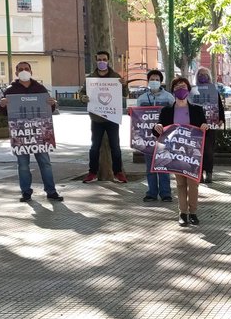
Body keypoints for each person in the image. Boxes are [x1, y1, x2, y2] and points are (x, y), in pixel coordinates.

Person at [0, 61, 63, 203]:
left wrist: (53, 104)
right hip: (21, 134)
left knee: (45, 163)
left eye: (26, 69)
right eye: (20, 69)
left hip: (39, 133)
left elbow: (49, 110)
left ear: (31, 71)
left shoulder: (39, 88)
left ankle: (51, 191)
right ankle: (26, 192)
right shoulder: (10, 90)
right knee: (22, 165)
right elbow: (3, 112)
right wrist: (2, 104)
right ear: (16, 73)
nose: (24, 71)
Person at [154, 76, 209, 225]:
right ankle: (182, 213)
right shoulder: (166, 111)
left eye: (183, 87)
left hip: (193, 153)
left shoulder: (197, 110)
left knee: (193, 183)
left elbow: (204, 130)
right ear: (173, 91)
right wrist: (157, 127)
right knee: (180, 184)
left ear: (189, 90)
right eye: (177, 87)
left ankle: (193, 212)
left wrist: (205, 127)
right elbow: (159, 130)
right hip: (175, 153)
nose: (181, 90)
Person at [82, 50, 128, 183]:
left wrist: (124, 85)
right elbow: (82, 93)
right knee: (94, 147)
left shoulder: (116, 77)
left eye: (104, 59)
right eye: (99, 59)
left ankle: (118, 172)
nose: (102, 62)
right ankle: (92, 172)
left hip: (112, 117)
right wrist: (83, 98)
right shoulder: (90, 78)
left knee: (115, 146)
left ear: (108, 61)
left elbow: (124, 94)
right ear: (96, 61)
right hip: (97, 118)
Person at [136, 69, 175, 202]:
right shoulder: (141, 99)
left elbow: (174, 115)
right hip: (147, 138)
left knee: (163, 165)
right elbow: (138, 119)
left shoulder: (169, 98)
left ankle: (166, 193)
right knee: (150, 167)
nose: (154, 82)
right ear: (148, 81)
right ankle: (151, 193)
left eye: (157, 80)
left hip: (164, 137)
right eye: (152, 79)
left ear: (161, 81)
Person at [194, 66, 225, 184]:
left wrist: (221, 119)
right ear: (197, 77)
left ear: (209, 77)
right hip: (196, 126)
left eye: (205, 74)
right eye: (200, 74)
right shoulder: (193, 91)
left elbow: (219, 106)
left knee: (209, 151)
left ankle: (209, 173)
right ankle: (199, 173)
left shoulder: (214, 91)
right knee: (198, 151)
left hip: (210, 126)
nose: (203, 77)